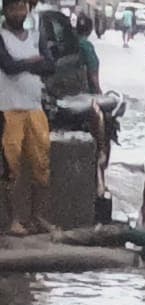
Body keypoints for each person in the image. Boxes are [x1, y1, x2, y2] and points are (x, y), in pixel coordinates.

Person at [0, 0, 54, 235]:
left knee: (41, 162)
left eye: (22, 8)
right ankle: (12, 220)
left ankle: (37, 217)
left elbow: (51, 65)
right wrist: (33, 62)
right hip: (8, 108)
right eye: (14, 8)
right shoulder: (1, 37)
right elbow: (8, 66)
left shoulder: (35, 36)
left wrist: (28, 64)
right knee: (10, 165)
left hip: (34, 107)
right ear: (5, 11)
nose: (19, 13)